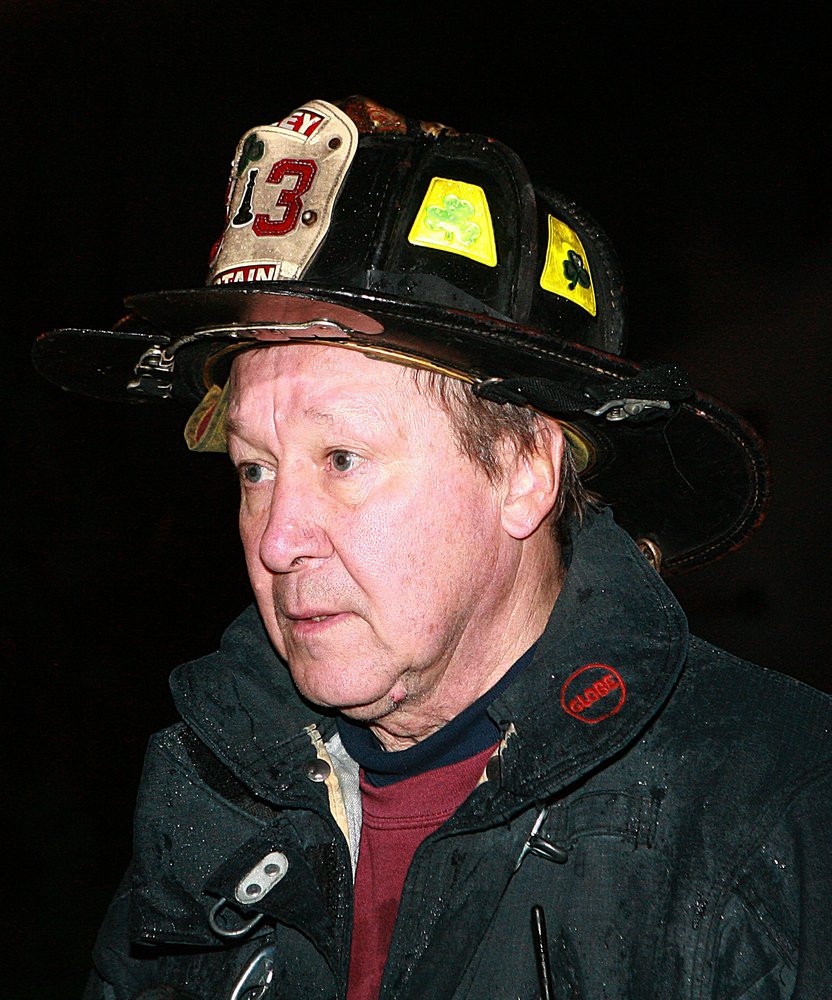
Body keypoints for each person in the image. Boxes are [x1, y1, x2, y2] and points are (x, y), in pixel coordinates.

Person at [35, 97, 832, 1000]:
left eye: (342, 459)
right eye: (255, 469)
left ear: (523, 470)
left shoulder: (778, 817)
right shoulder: (211, 805)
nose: (279, 540)